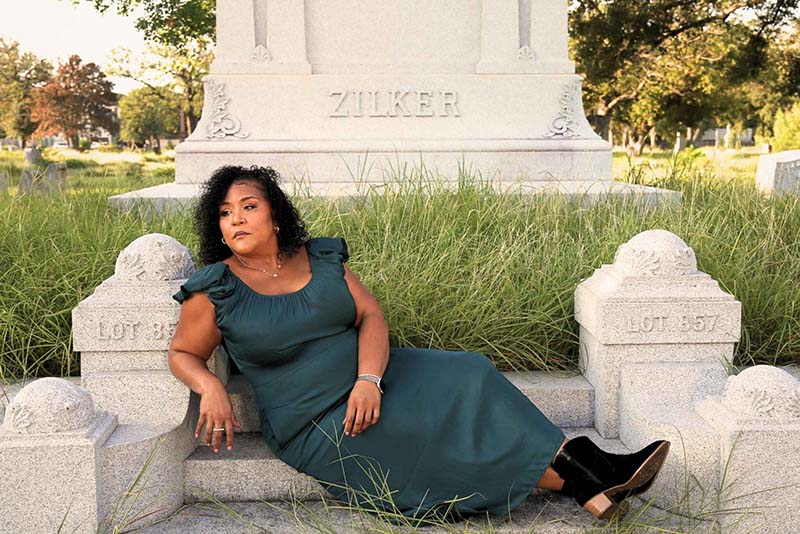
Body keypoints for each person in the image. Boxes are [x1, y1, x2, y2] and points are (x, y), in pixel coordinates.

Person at [168, 165, 670, 525]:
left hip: (376, 376)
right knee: (413, 431)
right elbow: (183, 353)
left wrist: (369, 379)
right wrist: (210, 385)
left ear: (275, 215)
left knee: (469, 373)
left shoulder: (320, 259)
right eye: (225, 213)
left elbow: (370, 315)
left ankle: (593, 476)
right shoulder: (216, 289)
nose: (236, 219)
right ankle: (592, 477)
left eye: (249, 206)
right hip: (315, 418)